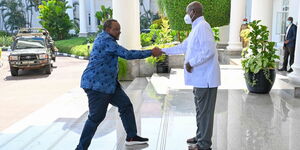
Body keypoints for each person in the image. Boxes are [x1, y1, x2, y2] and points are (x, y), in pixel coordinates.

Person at [76, 19, 162, 150]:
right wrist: (150, 52)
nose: (119, 32)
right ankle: (81, 148)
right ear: (107, 30)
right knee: (95, 118)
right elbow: (127, 54)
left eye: (119, 29)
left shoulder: (106, 39)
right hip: (97, 86)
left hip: (109, 85)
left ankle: (132, 136)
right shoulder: (106, 41)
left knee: (125, 105)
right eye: (116, 29)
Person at [160, 1, 220, 150]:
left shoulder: (203, 27)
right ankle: (200, 136)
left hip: (205, 80)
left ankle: (204, 144)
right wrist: (163, 50)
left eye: (187, 13)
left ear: (193, 12)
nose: (186, 16)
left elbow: (209, 51)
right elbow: (183, 46)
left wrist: (190, 62)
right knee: (200, 110)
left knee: (205, 112)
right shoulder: (196, 28)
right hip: (200, 80)